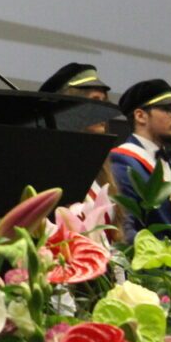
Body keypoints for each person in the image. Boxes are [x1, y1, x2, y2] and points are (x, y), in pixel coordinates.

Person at [39, 62, 122, 241]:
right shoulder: (51, 168)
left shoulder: (98, 170)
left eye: (104, 102)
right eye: (94, 101)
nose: (103, 110)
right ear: (69, 108)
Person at [109, 78, 171, 242]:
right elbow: (124, 228)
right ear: (140, 116)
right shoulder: (121, 160)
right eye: (167, 109)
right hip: (149, 257)